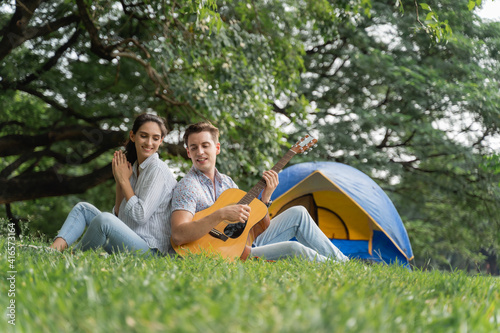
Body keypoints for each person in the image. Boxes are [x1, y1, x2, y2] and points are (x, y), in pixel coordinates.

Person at [170, 122, 349, 262]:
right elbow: (178, 235)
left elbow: (251, 228)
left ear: (217, 148)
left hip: (242, 243)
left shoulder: (227, 183)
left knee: (299, 213)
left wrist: (265, 198)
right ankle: (341, 268)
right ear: (188, 152)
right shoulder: (187, 186)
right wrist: (221, 214)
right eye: (194, 147)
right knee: (293, 249)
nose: (200, 152)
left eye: (205, 145)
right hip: (219, 251)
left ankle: (344, 262)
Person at [49, 113, 177, 256]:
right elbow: (119, 219)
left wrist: (124, 181)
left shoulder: (157, 169)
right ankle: (52, 252)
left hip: (151, 251)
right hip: (128, 241)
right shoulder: (133, 168)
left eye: (155, 138)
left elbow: (140, 215)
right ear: (133, 136)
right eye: (144, 136)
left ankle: (72, 257)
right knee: (83, 209)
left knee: (104, 219)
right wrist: (120, 182)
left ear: (161, 141)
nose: (149, 143)